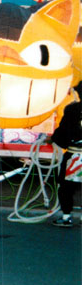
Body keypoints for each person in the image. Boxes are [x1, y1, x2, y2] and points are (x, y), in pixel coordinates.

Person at [49, 81, 82, 227]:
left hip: (75, 156)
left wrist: (51, 139)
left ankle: (67, 217)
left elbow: (63, 133)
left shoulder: (72, 109)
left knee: (66, 187)